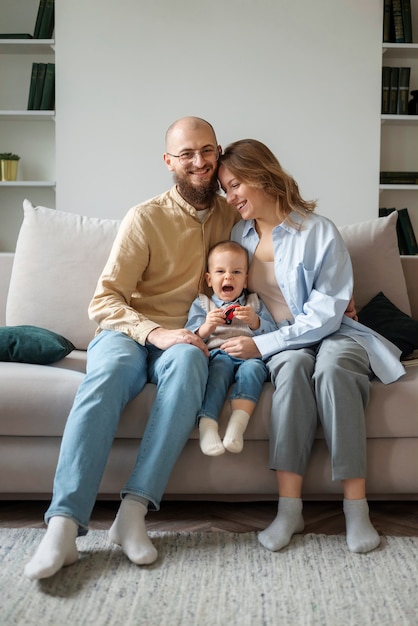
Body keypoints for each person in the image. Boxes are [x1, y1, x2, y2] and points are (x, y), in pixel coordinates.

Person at [23, 116, 240, 580]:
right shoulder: (145, 217)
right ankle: (62, 527)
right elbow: (104, 300)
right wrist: (154, 332)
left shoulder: (234, 217)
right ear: (169, 162)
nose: (199, 162)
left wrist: (338, 300)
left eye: (207, 151)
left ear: (218, 153)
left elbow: (273, 262)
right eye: (187, 154)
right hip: (128, 333)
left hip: (185, 340)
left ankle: (133, 515)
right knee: (103, 380)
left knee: (189, 363)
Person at [217, 139, 405, 554]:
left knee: (334, 369)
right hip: (281, 343)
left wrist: (262, 344)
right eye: (225, 191)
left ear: (260, 175)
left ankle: (357, 510)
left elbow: (327, 313)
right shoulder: (237, 235)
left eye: (234, 186)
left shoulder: (318, 230)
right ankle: (290, 510)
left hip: (334, 333)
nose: (230, 198)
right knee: (292, 369)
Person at [186, 240, 276, 456]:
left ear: (245, 280)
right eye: (220, 271)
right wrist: (207, 326)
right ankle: (208, 425)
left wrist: (255, 322)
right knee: (220, 368)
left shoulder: (254, 303)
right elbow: (190, 336)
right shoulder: (202, 304)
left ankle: (237, 425)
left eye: (236, 272)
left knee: (254, 370)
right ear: (209, 279)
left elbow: (273, 333)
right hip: (218, 355)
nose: (228, 277)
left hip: (250, 358)